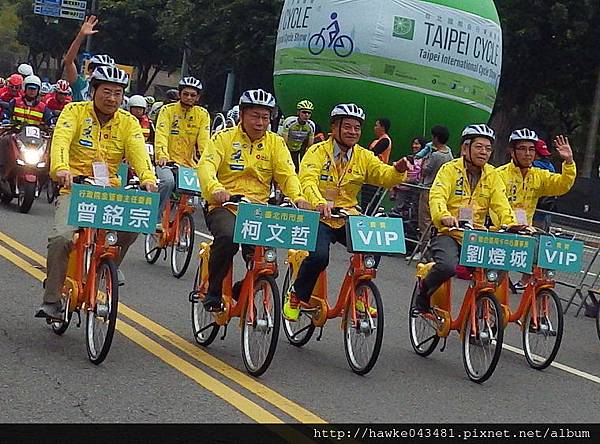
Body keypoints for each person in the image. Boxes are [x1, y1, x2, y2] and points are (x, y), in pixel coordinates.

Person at [34, 66, 158, 321]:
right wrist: (61, 168)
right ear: (93, 91)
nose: (112, 98)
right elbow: (61, 141)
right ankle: (52, 299)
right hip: (75, 189)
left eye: (117, 93)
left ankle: (106, 269)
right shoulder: (74, 111)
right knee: (61, 238)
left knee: (131, 227)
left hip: (109, 193)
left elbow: (139, 152)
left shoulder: (129, 122)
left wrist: (148, 178)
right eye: (106, 91)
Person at [283, 104, 411, 321]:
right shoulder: (317, 151)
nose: (353, 132)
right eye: (347, 127)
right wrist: (318, 202)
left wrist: (397, 171)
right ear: (334, 127)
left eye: (357, 128)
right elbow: (307, 179)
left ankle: (359, 292)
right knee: (319, 257)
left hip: (347, 215)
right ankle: (297, 294)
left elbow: (383, 175)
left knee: (374, 246)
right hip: (319, 216)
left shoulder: (363, 156)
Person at [198, 88, 311, 311]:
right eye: (255, 116)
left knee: (268, 265)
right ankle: (213, 291)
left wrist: (298, 197)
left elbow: (287, 174)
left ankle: (240, 290)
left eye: (265, 117)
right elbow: (206, 166)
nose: (260, 122)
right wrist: (216, 189)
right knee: (228, 238)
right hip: (226, 205)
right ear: (242, 114)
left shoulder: (276, 143)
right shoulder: (223, 138)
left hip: (259, 210)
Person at [413, 124, 517, 312]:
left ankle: (480, 306)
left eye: (488, 148)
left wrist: (512, 224)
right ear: (464, 148)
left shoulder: (492, 175)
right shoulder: (449, 169)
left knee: (499, 265)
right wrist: (443, 216)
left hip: (477, 236)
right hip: (449, 233)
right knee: (447, 267)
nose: (484, 152)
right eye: (479, 147)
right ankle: (424, 290)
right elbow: (437, 195)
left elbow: (501, 204)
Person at [494, 129, 576, 291]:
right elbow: (497, 204)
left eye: (531, 149)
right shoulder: (499, 175)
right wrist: (510, 224)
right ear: (512, 151)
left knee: (542, 268)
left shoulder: (539, 175)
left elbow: (562, 185)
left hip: (526, 233)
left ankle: (535, 301)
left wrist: (568, 162)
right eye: (522, 149)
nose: (528, 154)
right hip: (501, 233)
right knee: (492, 282)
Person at [154, 76, 210, 218]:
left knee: (207, 186)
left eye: (193, 95)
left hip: (189, 164)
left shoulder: (203, 114)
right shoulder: (167, 110)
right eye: (185, 94)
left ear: (198, 97)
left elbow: (204, 142)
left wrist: (207, 162)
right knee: (168, 182)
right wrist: (162, 155)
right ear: (179, 94)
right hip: (167, 162)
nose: (189, 98)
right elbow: (161, 134)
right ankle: (155, 218)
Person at [63, 16, 115, 102]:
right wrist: (81, 35)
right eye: (99, 69)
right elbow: (69, 61)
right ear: (90, 71)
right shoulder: (81, 85)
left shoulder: (113, 95)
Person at [418, 125, 453, 242]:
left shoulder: (435, 155)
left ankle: (424, 247)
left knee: (425, 221)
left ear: (436, 138)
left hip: (428, 190)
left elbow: (425, 170)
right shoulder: (449, 152)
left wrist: (423, 161)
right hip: (442, 190)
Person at [361, 117, 393, 212]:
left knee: (371, 202)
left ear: (382, 127)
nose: (374, 128)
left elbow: (372, 153)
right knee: (365, 201)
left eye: (376, 125)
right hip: (369, 175)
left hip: (377, 175)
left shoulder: (385, 140)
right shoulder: (377, 141)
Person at [281, 100, 316, 172]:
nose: (306, 115)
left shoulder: (311, 125)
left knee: (296, 170)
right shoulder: (289, 122)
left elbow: (309, 145)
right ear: (298, 113)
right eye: (304, 112)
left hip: (298, 150)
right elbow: (284, 142)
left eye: (309, 113)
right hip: (286, 148)